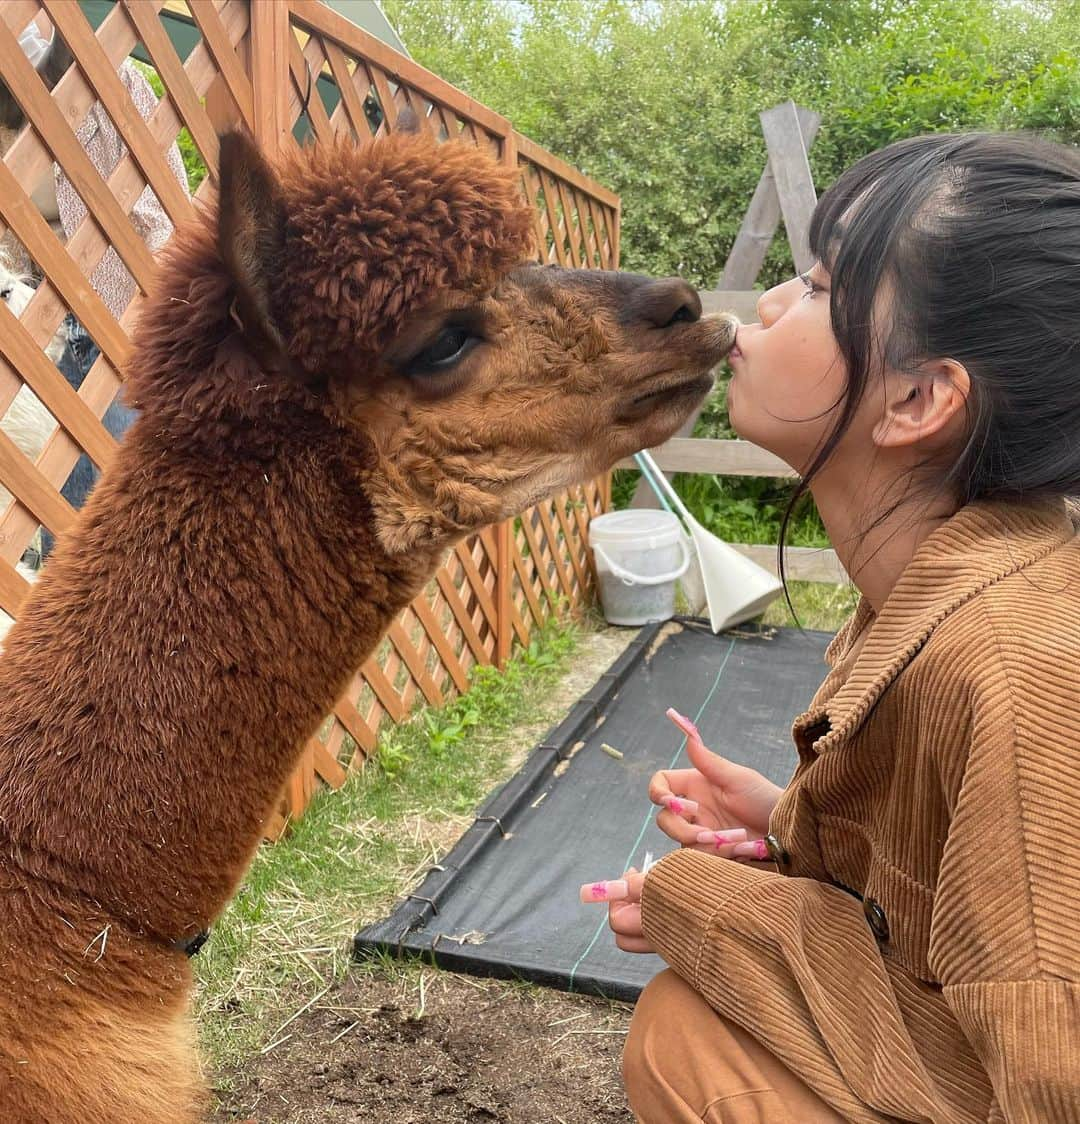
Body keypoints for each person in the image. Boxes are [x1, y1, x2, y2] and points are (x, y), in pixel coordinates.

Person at [592, 132, 1080, 1121]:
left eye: (816, 285)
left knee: (685, 1040)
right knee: (689, 1021)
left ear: (918, 399)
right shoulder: (939, 581)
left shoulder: (1013, 664)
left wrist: (699, 899)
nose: (766, 302)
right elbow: (955, 913)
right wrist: (789, 829)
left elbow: (1044, 1071)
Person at [1, 21, 189, 560]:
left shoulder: (111, 81)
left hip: (120, 321)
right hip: (44, 327)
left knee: (120, 506)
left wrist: (135, 327)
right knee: (62, 513)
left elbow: (165, 217)